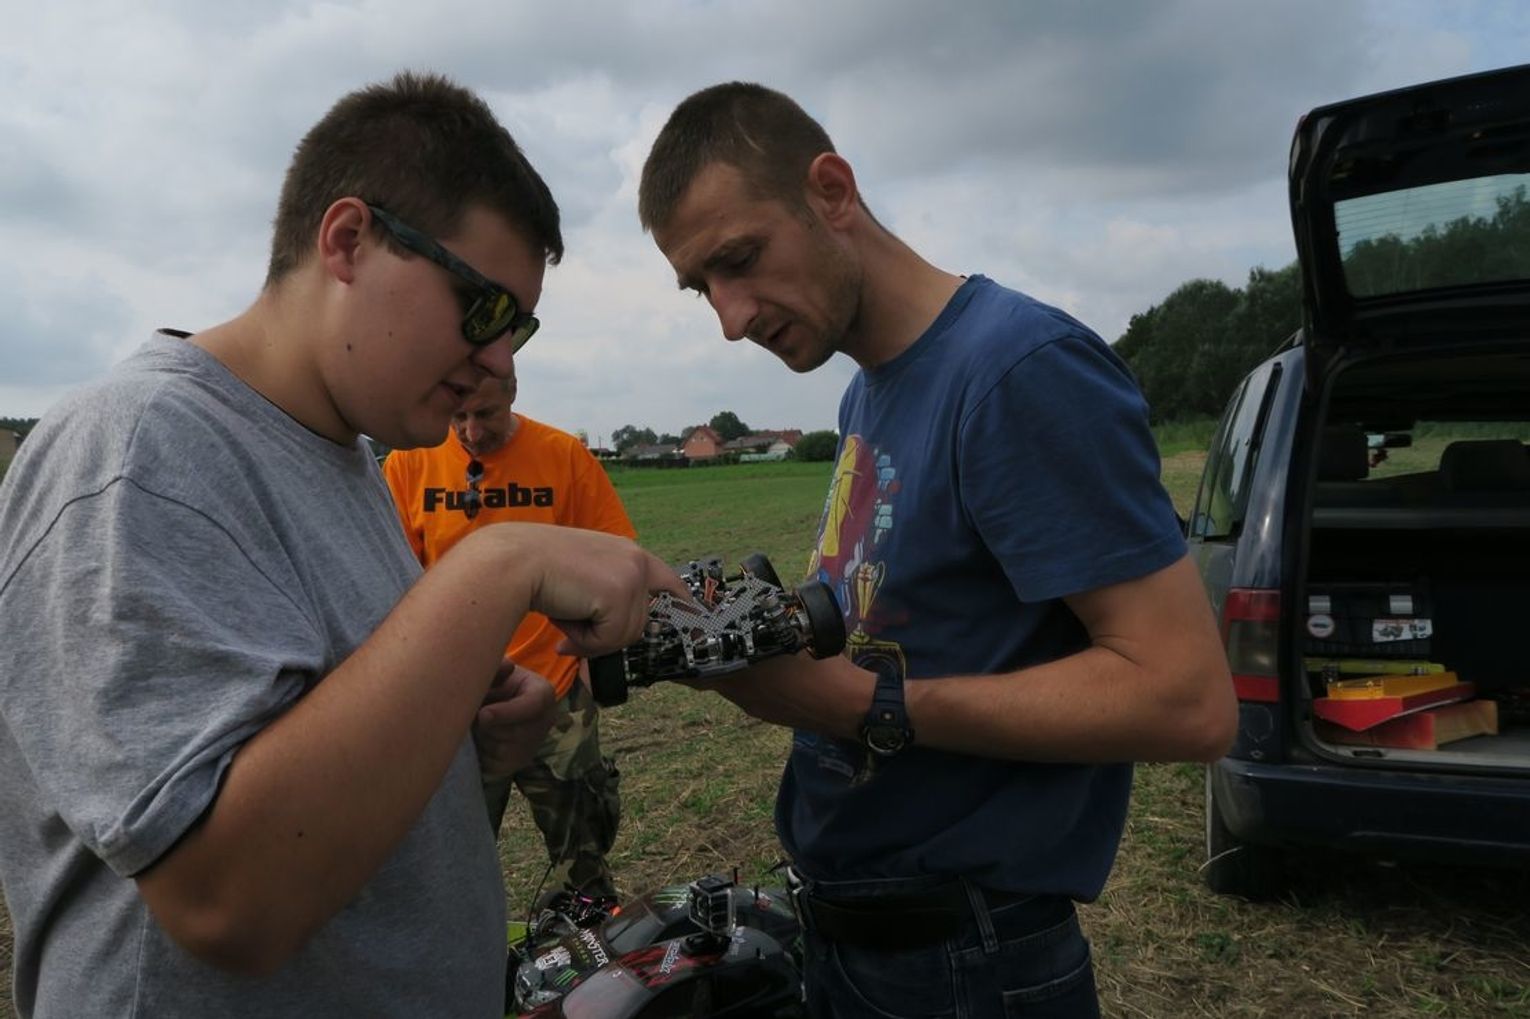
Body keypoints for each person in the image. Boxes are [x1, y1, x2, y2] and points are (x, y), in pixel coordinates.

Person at [0, 71, 681, 1019]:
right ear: (349, 240)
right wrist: (497, 567)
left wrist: (466, 728)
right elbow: (229, 899)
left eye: (519, 327)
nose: (500, 360)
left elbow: (323, 752)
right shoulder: (137, 451)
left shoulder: (346, 456)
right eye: (483, 308)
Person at [638, 82, 1238, 1019]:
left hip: (967, 961)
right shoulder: (866, 391)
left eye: (740, 260)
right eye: (701, 286)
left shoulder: (1017, 371)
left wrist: (862, 703)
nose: (730, 316)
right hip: (863, 940)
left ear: (832, 190)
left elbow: (1186, 700)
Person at [383, 365, 634, 900]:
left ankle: (587, 939)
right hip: (458, 704)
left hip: (559, 694)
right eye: (459, 416)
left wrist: (588, 672)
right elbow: (390, 580)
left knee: (583, 855)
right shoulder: (409, 463)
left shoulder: (564, 457)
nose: (471, 432)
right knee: (450, 865)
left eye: (487, 414)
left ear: (513, 393)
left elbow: (617, 561)